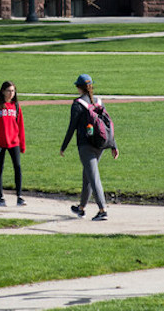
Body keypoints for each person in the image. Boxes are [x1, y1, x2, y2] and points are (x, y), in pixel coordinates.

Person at [59, 73, 117, 221]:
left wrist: (63, 146)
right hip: (100, 144)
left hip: (86, 146)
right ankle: (81, 208)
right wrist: (113, 145)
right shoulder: (98, 101)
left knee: (93, 177)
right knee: (88, 176)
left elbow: (72, 127)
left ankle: (102, 210)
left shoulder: (78, 104)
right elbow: (107, 124)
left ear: (79, 87)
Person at [0, 81, 26, 206]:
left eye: (13, 91)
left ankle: (19, 196)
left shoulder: (16, 106)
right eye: (8, 91)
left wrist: (22, 144)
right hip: (0, 143)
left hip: (14, 142)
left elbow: (20, 125)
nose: (11, 93)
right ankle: (0, 198)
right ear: (3, 91)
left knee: (18, 167)